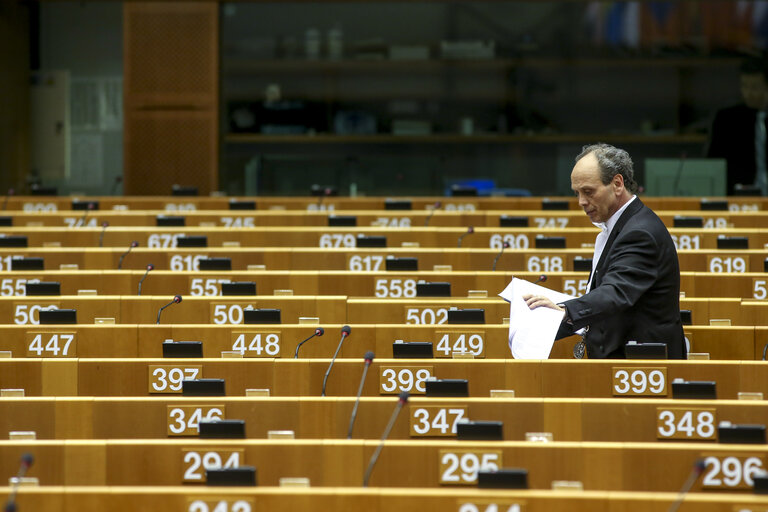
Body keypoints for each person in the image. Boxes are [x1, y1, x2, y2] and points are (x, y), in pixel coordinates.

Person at [524, 143, 686, 359]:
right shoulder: (622, 225)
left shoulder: (640, 232)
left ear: (617, 184)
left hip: (643, 365)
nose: (581, 201)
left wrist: (567, 311)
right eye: (577, 193)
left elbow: (616, 292)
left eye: (589, 192)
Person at [708, 57, 768, 195]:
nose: (748, 93)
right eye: (744, 86)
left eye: (754, 87)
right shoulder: (728, 119)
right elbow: (713, 166)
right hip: (738, 196)